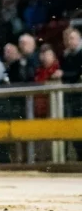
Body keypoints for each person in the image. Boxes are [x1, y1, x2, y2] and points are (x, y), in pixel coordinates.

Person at [61, 28, 82, 159]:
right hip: (74, 99)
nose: (70, 41)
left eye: (72, 38)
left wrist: (64, 74)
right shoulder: (67, 55)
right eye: (68, 39)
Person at [34, 44, 62, 118]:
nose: (46, 57)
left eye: (48, 54)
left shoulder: (58, 69)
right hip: (39, 106)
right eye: (44, 55)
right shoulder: (38, 71)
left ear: (53, 56)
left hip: (55, 107)